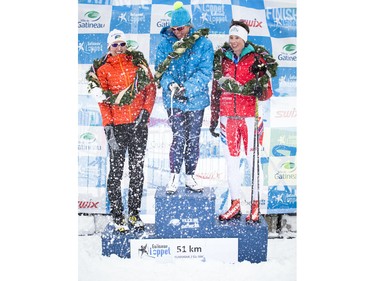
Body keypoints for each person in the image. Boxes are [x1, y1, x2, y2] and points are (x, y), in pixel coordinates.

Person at [88, 29, 156, 232]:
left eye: (122, 44)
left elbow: (150, 88)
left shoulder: (137, 63)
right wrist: (108, 126)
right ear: (109, 47)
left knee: (137, 171)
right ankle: (118, 216)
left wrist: (145, 112)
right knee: (116, 172)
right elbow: (103, 102)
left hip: (138, 125)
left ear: (126, 45)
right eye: (115, 45)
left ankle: (134, 214)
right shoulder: (102, 70)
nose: (119, 48)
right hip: (117, 127)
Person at [210, 20, 277, 222]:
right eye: (231, 37)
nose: (233, 41)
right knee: (231, 163)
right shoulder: (222, 58)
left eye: (237, 37)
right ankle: (235, 203)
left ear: (244, 38)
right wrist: (214, 118)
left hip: (250, 116)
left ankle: (256, 204)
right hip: (228, 116)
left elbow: (267, 93)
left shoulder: (257, 58)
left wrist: (261, 86)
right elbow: (216, 91)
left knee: (252, 161)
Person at [155, 1, 214, 194]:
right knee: (179, 137)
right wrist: (171, 85)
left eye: (180, 28)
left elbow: (205, 72)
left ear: (189, 25)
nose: (177, 32)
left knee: (193, 138)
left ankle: (190, 175)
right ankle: (173, 176)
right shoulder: (165, 43)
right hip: (174, 100)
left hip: (196, 99)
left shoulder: (204, 43)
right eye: (173, 28)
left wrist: (186, 89)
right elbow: (161, 69)